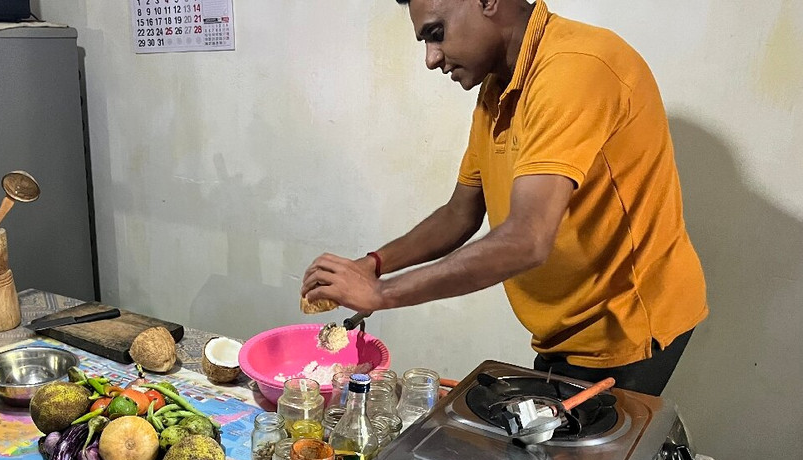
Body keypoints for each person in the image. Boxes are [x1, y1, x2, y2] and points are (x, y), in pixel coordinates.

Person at [300, 0, 707, 395]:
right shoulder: (498, 90)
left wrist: (383, 294)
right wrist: (374, 265)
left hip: (625, 329)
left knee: (576, 442)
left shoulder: (575, 67)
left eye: (436, 33)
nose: (430, 58)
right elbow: (459, 214)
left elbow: (528, 239)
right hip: (563, 330)